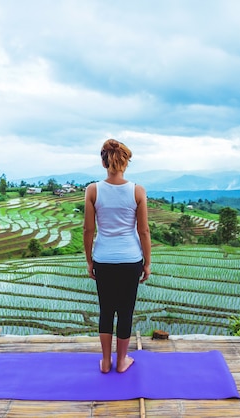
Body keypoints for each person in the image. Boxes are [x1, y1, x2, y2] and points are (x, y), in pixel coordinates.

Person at [83, 138, 151, 374]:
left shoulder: (93, 190)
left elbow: (88, 230)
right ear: (125, 162)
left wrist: (89, 261)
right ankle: (122, 361)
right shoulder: (137, 191)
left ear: (104, 162)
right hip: (131, 260)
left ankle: (105, 362)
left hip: (103, 259)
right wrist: (147, 263)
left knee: (106, 310)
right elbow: (143, 231)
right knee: (125, 311)